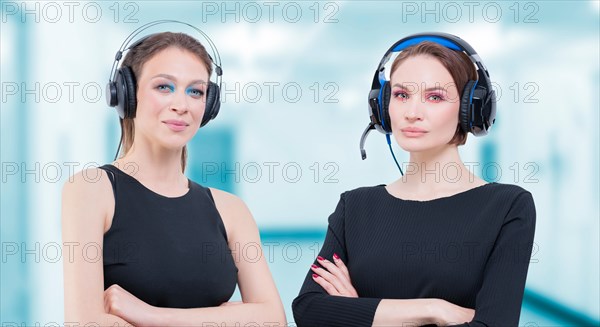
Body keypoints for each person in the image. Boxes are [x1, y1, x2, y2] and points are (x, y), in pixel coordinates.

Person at [292, 33, 536, 327]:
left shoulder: (508, 207)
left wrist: (360, 313)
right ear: (382, 107)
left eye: (435, 97)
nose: (412, 113)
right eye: (401, 95)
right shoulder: (354, 207)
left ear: (470, 108)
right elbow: (309, 310)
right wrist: (436, 310)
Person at [62, 25, 286, 326]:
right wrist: (229, 317)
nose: (181, 105)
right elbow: (85, 322)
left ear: (209, 106)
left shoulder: (231, 210)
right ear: (127, 95)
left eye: (195, 91)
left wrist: (147, 315)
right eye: (164, 87)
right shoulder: (91, 190)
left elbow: (273, 319)